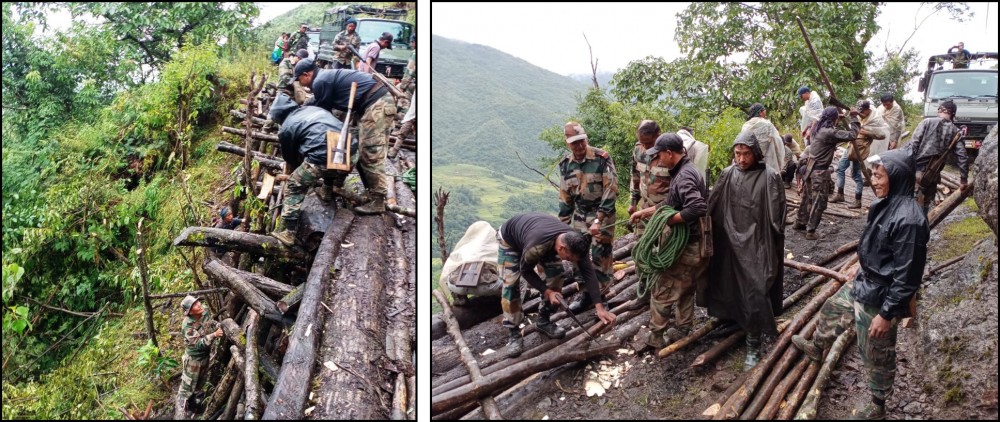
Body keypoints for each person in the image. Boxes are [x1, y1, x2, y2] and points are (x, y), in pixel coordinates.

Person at [792, 149, 929, 420]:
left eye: (878, 177)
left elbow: (907, 277)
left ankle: (877, 405)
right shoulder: (885, 202)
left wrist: (887, 314)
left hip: (881, 297)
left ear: (897, 177)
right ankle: (817, 347)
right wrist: (861, 266)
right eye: (874, 176)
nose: (873, 182)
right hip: (866, 281)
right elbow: (876, 245)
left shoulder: (910, 220)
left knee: (876, 352)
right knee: (832, 310)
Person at [702, 130, 786, 367]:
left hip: (757, 244)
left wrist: (769, 245)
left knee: (755, 289)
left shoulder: (769, 177)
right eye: (737, 154)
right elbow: (713, 205)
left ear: (756, 153)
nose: (741, 159)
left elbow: (777, 218)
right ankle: (733, 320)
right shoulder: (728, 174)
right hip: (729, 240)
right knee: (727, 283)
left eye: (746, 154)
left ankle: (753, 342)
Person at [497, 212, 617, 356]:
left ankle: (543, 320)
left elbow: (589, 274)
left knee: (556, 276)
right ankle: (514, 333)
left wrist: (599, 307)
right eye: (569, 258)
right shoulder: (537, 247)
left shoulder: (576, 242)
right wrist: (547, 292)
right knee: (510, 286)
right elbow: (526, 271)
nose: (570, 261)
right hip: (510, 242)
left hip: (537, 236)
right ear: (561, 249)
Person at [629, 134, 709, 348]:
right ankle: (683, 328)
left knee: (662, 288)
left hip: (687, 245)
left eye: (659, 156)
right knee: (687, 286)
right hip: (696, 245)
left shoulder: (684, 176)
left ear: (669, 153)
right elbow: (671, 202)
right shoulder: (684, 170)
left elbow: (697, 207)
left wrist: (669, 220)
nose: (658, 160)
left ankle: (655, 336)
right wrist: (645, 212)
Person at [294, 59, 397, 215]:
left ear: (306, 74)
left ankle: (378, 199)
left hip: (377, 104)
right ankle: (358, 188)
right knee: (354, 146)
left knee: (370, 153)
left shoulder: (320, 81)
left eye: (299, 80)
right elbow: (318, 104)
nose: (301, 85)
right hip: (370, 104)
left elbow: (321, 109)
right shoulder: (325, 78)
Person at [267, 92, 348, 246]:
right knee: (329, 161)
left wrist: (297, 175)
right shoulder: (312, 109)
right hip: (349, 151)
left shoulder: (286, 128)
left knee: (293, 185)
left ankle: (289, 232)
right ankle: (327, 189)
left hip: (323, 157)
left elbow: (290, 158)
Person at [558, 122, 618, 313]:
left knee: (602, 256)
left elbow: (611, 190)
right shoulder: (566, 165)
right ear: (568, 143)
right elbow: (566, 197)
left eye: (582, 141)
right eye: (574, 143)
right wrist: (562, 226)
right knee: (577, 256)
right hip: (580, 215)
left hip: (603, 213)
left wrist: (599, 219)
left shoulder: (602, 158)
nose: (579, 146)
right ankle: (585, 293)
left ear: (586, 139)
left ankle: (602, 295)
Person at [793, 106, 861, 240]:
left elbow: (830, 124)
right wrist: (853, 117)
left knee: (807, 198)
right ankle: (811, 231)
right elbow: (852, 135)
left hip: (809, 168)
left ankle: (799, 222)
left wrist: (838, 118)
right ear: (833, 119)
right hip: (819, 171)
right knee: (819, 201)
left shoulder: (817, 128)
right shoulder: (829, 133)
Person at [905, 99, 968, 214]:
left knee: (913, 205)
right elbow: (962, 156)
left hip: (917, 172)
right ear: (953, 113)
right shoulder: (956, 132)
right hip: (934, 175)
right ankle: (923, 228)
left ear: (941, 110)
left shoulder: (927, 122)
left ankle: (912, 230)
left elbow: (912, 146)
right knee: (925, 205)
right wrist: (963, 179)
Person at [832, 100, 889, 209]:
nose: (860, 113)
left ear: (868, 110)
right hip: (850, 146)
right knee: (840, 169)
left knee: (856, 175)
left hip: (860, 150)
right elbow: (853, 124)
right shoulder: (859, 116)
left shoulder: (875, 119)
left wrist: (867, 132)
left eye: (862, 111)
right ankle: (840, 194)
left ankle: (858, 200)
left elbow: (882, 135)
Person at [175, 295, 223, 420]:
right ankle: (182, 411)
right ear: (190, 311)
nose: (199, 305)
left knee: (200, 382)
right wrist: (214, 335)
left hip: (205, 357)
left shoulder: (204, 311)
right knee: (187, 387)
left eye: (198, 302)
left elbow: (210, 322)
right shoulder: (187, 325)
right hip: (193, 360)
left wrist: (217, 325)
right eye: (195, 305)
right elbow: (198, 344)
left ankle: (195, 407)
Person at [628, 120, 670, 236]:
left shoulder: (669, 154)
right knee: (642, 245)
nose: (646, 148)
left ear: (658, 136)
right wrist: (633, 202)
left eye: (650, 144)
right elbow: (635, 176)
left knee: (665, 248)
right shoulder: (638, 149)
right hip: (644, 208)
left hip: (665, 211)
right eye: (643, 143)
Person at [741, 103, 786, 171]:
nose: (765, 112)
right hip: (769, 162)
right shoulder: (768, 125)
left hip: (751, 161)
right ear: (760, 113)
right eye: (764, 110)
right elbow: (778, 143)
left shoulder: (745, 126)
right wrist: (780, 162)